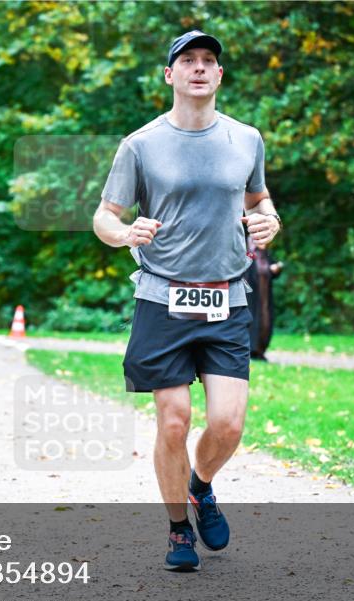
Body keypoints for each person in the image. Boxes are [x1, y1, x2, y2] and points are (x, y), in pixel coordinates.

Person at [93, 30, 282, 571]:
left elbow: (259, 199)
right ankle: (179, 530)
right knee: (174, 420)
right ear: (169, 74)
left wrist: (269, 218)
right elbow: (104, 216)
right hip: (163, 299)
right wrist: (124, 233)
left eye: (208, 60)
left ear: (219, 75)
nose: (199, 67)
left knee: (228, 425)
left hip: (228, 299)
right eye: (188, 60)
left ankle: (200, 487)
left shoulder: (246, 139)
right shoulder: (140, 144)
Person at [245, 235, 284, 361]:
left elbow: (271, 272)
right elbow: (246, 273)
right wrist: (268, 269)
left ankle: (261, 350)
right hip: (252, 297)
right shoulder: (249, 254)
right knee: (253, 321)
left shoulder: (265, 255)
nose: (264, 244)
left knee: (266, 322)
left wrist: (276, 269)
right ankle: (252, 351)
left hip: (265, 296)